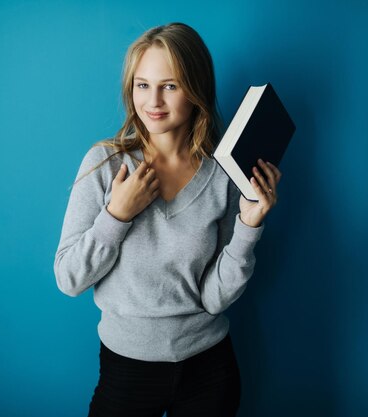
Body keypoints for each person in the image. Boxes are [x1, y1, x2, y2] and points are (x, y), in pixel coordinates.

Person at [54, 22, 282, 417]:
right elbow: (69, 279)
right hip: (126, 370)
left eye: (170, 85)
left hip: (209, 370)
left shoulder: (223, 175)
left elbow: (214, 299)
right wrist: (116, 215)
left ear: (196, 90)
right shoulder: (106, 166)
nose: (153, 100)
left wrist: (248, 227)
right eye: (142, 85)